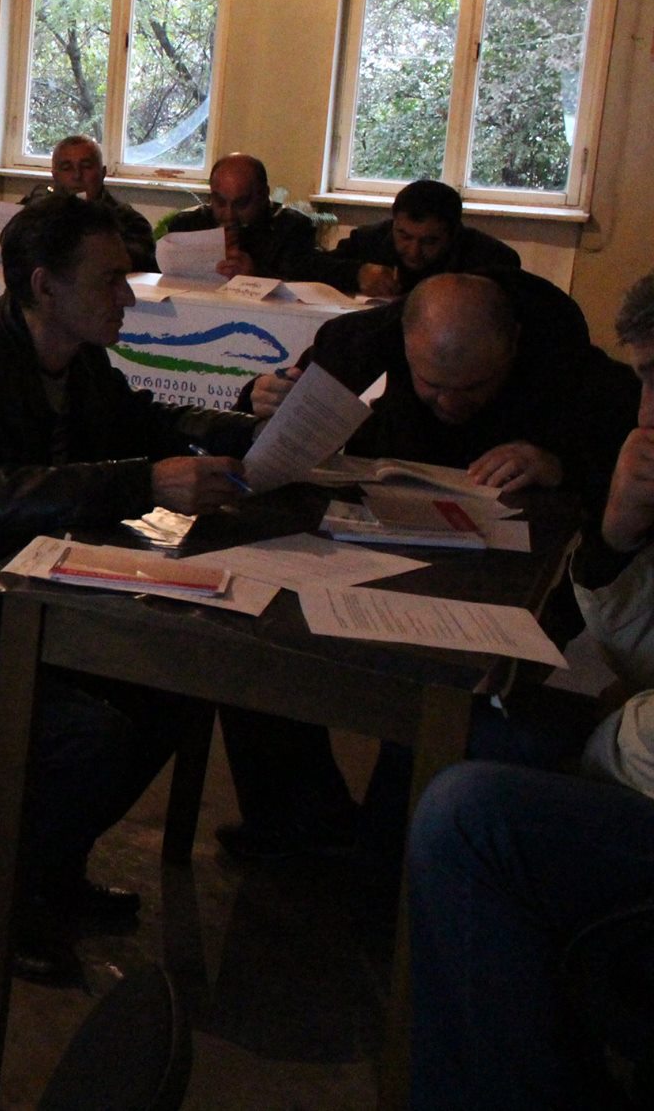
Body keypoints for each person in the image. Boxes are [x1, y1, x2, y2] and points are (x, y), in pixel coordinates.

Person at [0, 192, 253, 980]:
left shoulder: (75, 358)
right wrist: (144, 481)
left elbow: (144, 423)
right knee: (88, 734)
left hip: (18, 607)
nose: (126, 294)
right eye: (109, 279)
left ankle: (47, 868)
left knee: (171, 691)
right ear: (45, 284)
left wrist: (249, 418)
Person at [218, 270, 639, 859]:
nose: (451, 403)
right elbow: (275, 432)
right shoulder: (362, 340)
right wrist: (258, 399)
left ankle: (392, 852)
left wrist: (558, 463)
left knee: (448, 680)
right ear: (405, 346)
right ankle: (301, 827)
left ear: (514, 344)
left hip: (516, 560)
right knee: (256, 639)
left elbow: (626, 467)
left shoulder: (573, 364)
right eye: (432, 385)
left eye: (474, 387)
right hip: (382, 530)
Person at [407, 273, 654, 1111]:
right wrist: (615, 540)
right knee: (491, 740)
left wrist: (608, 735)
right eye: (645, 380)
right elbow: (636, 654)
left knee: (470, 807)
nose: (646, 415)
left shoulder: (578, 383)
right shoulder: (362, 345)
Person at [306, 177, 521, 298]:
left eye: (429, 241)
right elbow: (308, 265)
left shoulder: (491, 259)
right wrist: (357, 273)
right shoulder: (370, 240)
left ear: (453, 233)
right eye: (404, 236)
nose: (414, 251)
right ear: (394, 222)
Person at [7, 135, 158, 275]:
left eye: (86, 166)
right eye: (67, 168)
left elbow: (137, 259)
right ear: (55, 176)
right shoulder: (37, 213)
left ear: (103, 173)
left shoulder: (127, 219)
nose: (77, 175)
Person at [161, 153, 316, 280]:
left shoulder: (291, 229)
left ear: (264, 195)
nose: (229, 214)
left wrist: (256, 276)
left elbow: (302, 288)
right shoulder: (188, 225)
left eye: (241, 204)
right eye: (220, 202)